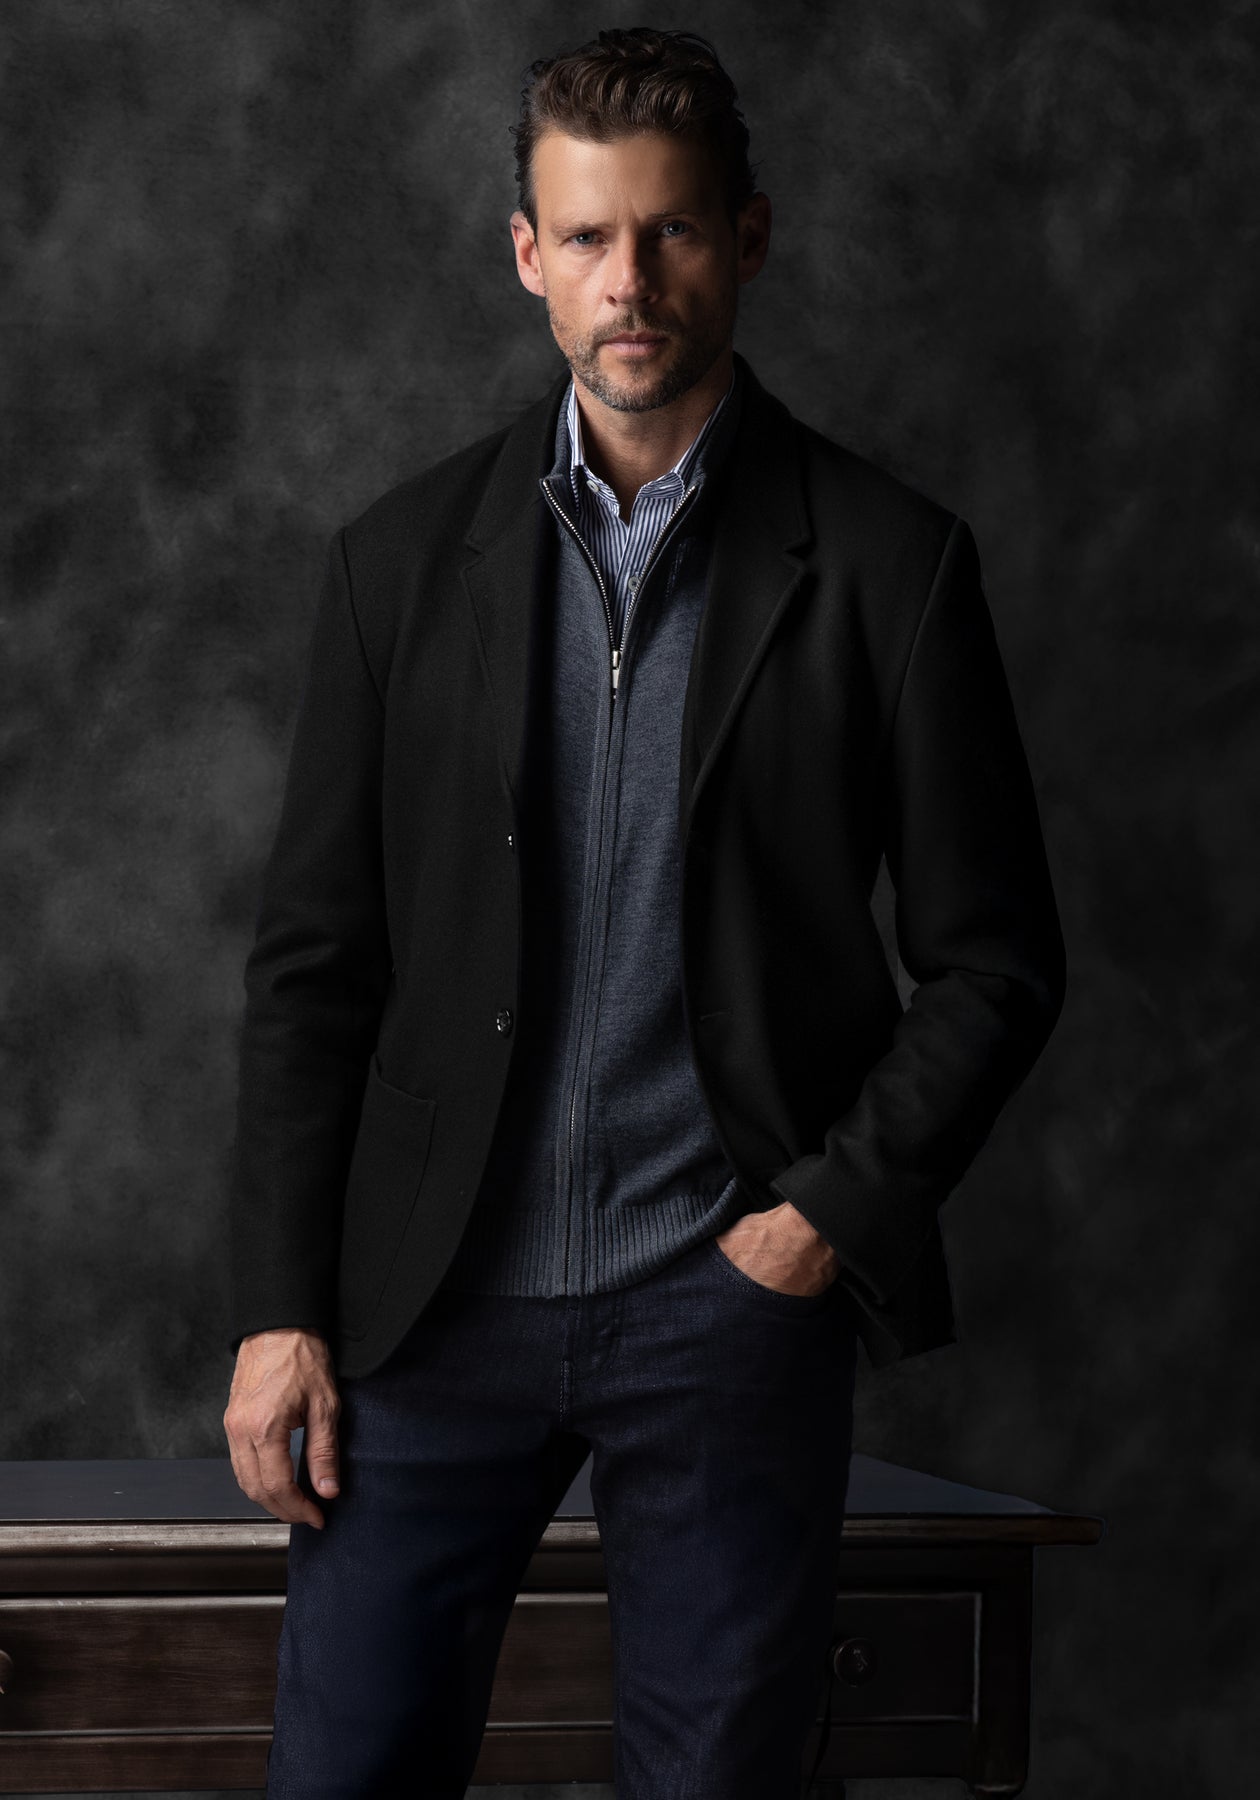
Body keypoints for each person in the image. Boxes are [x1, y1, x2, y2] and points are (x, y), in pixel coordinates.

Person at [222, 25, 1066, 1799]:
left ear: (745, 237)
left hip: (724, 1305)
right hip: (429, 1311)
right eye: (590, 238)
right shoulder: (395, 567)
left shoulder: (894, 566)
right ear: (527, 254)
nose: (632, 284)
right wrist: (280, 1307)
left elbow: (995, 964)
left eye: (671, 232)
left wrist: (816, 1223)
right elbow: (315, 972)